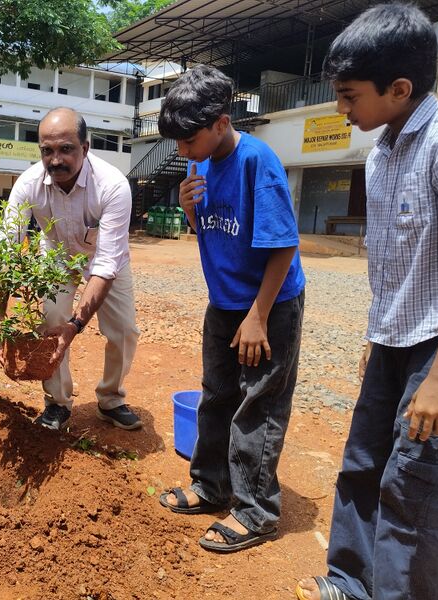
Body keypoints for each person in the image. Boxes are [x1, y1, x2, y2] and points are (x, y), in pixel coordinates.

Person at [296, 5, 438, 600]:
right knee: (363, 462)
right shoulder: (383, 152)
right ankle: (349, 582)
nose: (341, 109)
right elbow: (393, 263)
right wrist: (375, 335)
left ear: (400, 88)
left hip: (435, 349)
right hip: (392, 339)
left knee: (413, 486)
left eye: (349, 95)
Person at [155, 65, 306, 553]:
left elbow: (283, 246)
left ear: (221, 122)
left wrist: (259, 316)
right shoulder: (199, 165)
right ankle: (211, 486)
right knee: (217, 394)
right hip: (224, 303)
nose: (181, 151)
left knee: (256, 402)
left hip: (267, 305)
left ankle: (257, 511)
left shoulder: (257, 161)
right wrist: (188, 211)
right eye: (175, 142)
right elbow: (215, 233)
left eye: (188, 140)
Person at [4, 107, 141, 431]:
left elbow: (106, 263)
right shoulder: (27, 185)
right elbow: (7, 249)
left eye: (66, 149)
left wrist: (76, 324)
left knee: (123, 332)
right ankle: (57, 403)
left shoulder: (112, 185)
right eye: (47, 151)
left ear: (85, 148)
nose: (55, 160)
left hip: (105, 259)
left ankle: (110, 399)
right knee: (51, 321)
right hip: (57, 255)